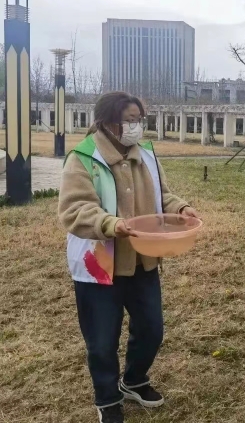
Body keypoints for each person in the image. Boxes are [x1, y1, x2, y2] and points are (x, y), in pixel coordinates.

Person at [58, 92, 199, 423]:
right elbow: (74, 208)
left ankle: (134, 379)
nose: (137, 127)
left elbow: (162, 194)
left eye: (140, 120)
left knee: (152, 329)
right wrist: (111, 224)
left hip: (143, 260)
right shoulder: (83, 157)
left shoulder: (146, 154)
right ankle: (107, 398)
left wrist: (181, 207)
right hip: (100, 266)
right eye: (131, 120)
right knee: (102, 340)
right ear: (109, 122)